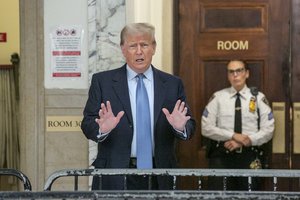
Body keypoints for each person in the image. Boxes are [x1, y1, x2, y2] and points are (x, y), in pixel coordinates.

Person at [81, 23, 196, 190]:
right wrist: (102, 129)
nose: (139, 51)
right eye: (133, 46)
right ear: (122, 49)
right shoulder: (103, 82)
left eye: (144, 45)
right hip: (115, 174)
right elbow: (87, 124)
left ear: (154, 47)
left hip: (160, 175)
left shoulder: (172, 84)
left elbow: (190, 125)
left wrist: (181, 127)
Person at [201, 59, 275, 191]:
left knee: (250, 195)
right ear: (228, 75)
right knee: (219, 195)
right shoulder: (218, 98)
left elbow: (268, 130)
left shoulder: (258, 98)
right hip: (222, 156)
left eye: (239, 70)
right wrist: (233, 135)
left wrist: (245, 141)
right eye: (231, 72)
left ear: (247, 73)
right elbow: (206, 128)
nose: (235, 75)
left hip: (249, 156)